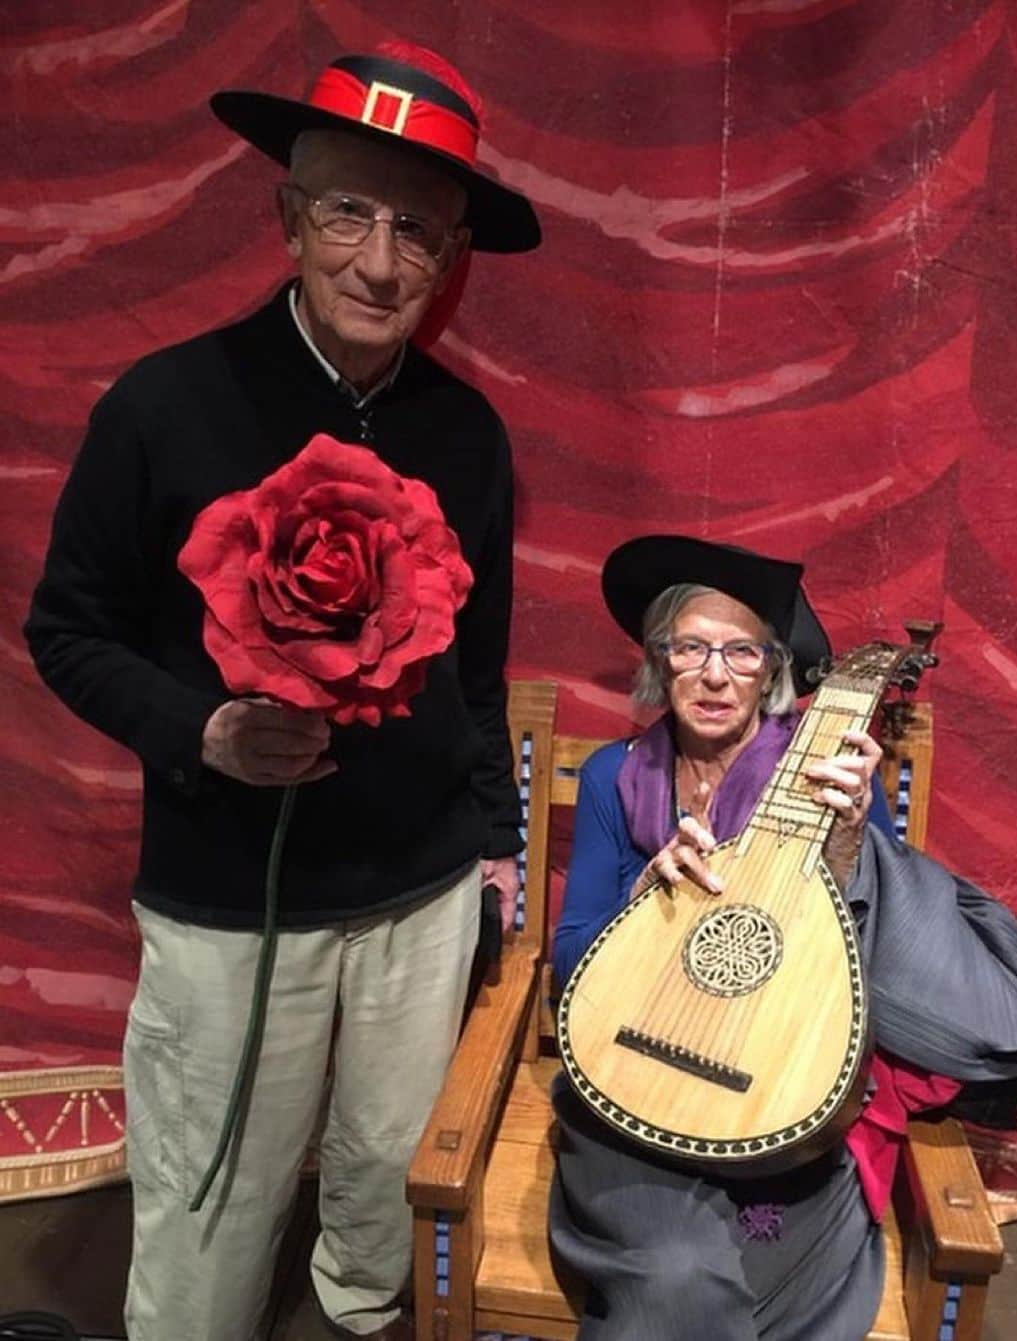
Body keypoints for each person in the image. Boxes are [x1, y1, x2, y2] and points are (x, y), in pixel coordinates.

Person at [24, 44, 540, 1341]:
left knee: (378, 1184)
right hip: (231, 901)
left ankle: (356, 1317)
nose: (379, 260)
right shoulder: (165, 406)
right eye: (349, 211)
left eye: (416, 227)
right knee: (215, 1206)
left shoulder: (469, 436)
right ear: (289, 219)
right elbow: (67, 630)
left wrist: (492, 848)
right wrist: (197, 728)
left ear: (453, 252)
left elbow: (476, 676)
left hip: (421, 900)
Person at [549, 535, 1017, 1341]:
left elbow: (867, 966)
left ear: (773, 668)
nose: (716, 673)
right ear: (661, 660)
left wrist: (847, 838)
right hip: (634, 1070)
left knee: (734, 1267)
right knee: (677, 1271)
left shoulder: (820, 777)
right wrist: (643, 894)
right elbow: (568, 960)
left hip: (777, 1089)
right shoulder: (612, 776)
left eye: (742, 650)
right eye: (691, 646)